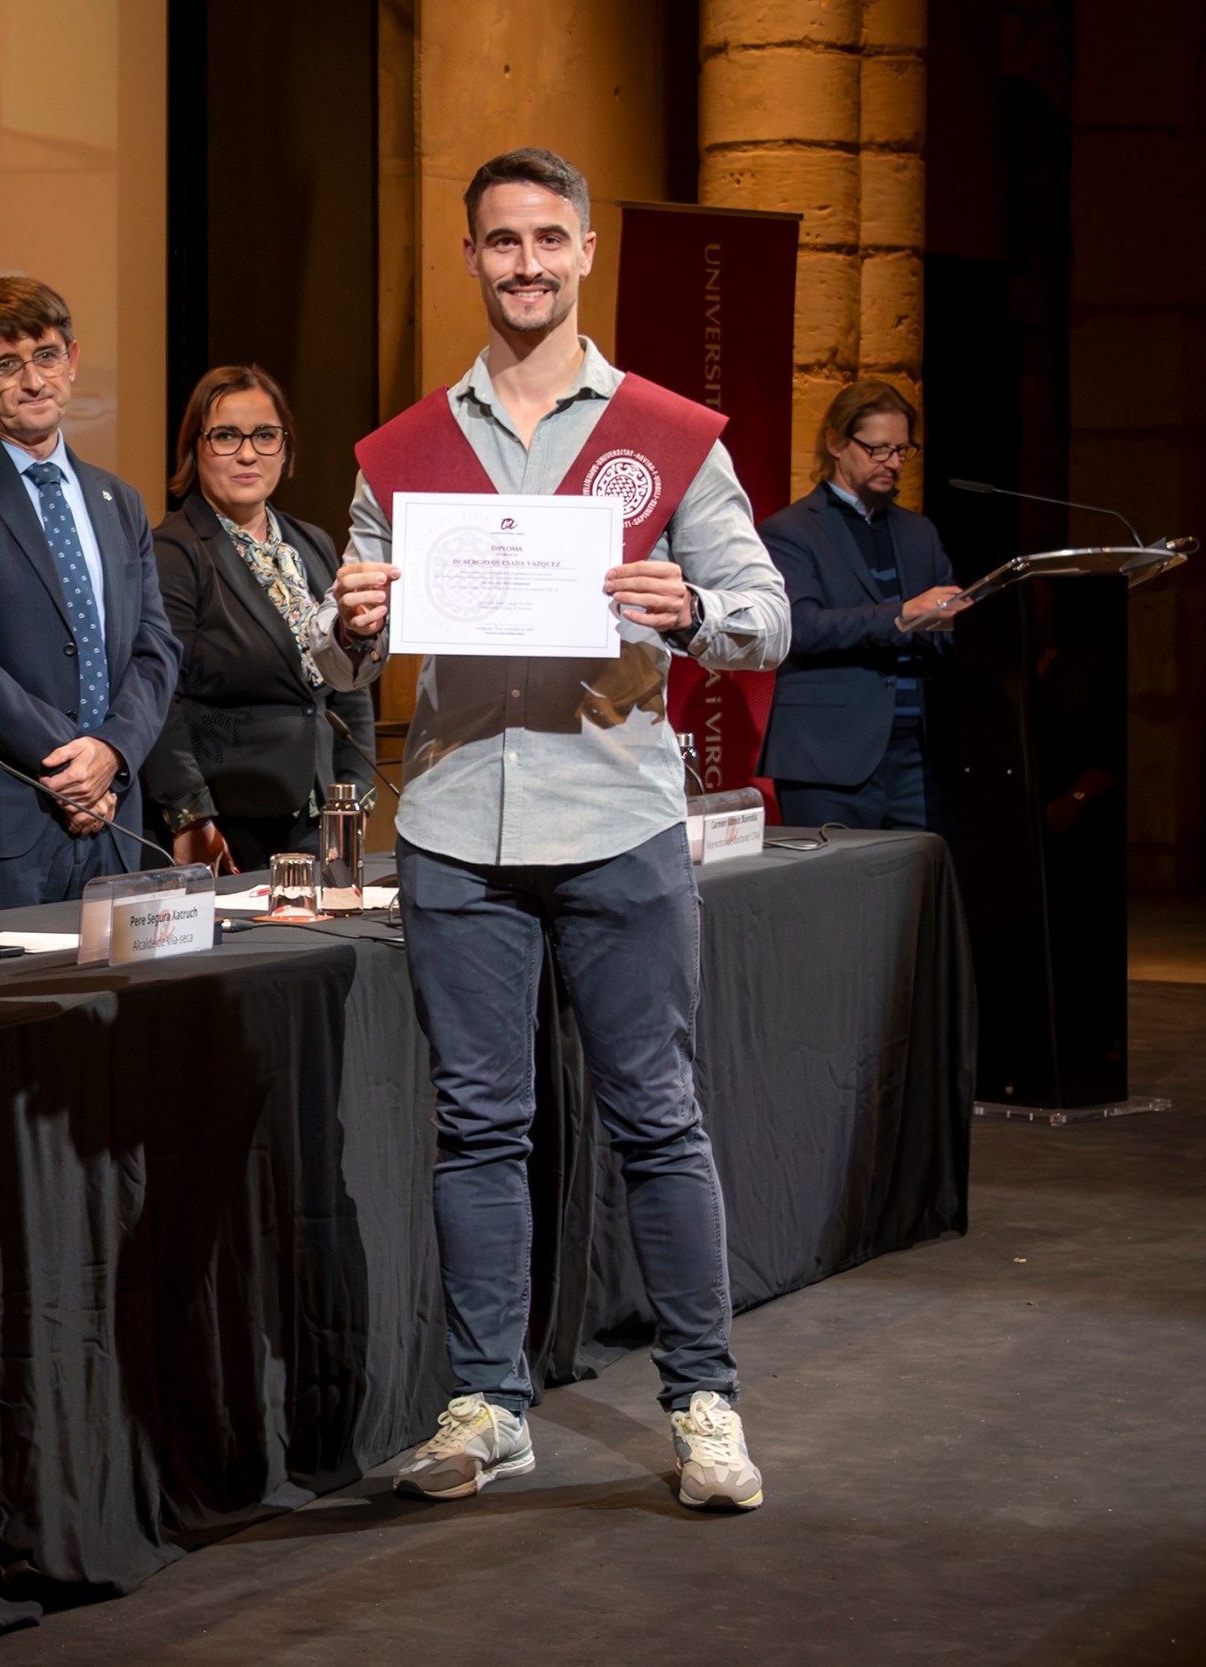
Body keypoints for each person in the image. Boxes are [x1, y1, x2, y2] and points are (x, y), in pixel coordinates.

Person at [323, 148, 790, 1511]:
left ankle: (704, 1402)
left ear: (585, 251)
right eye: (500, 241)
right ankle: (488, 1403)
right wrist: (350, 627)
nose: (524, 262)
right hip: (457, 823)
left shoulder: (667, 434)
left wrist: (692, 610)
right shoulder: (405, 451)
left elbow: (766, 613)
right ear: (470, 256)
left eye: (547, 238)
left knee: (658, 1116)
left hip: (615, 815)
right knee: (478, 1125)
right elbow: (347, 658)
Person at [0, 276, 179, 909]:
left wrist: (112, 752)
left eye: (45, 356)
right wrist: (74, 766)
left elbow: (155, 648)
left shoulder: (119, 499)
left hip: (118, 816)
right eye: (5, 366)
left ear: (71, 360)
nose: (33, 381)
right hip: (10, 822)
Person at [142, 363, 375, 872]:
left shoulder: (311, 541)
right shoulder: (172, 551)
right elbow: (159, 697)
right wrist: (190, 815)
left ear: (285, 448)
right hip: (226, 828)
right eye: (226, 436)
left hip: (322, 816)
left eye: (265, 436)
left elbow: (349, 677)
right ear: (195, 448)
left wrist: (355, 793)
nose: (248, 454)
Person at [756, 380, 964, 838]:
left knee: (920, 881)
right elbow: (800, 628)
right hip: (828, 756)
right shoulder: (789, 531)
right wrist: (901, 615)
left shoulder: (919, 532)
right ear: (835, 442)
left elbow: (946, 632)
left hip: (917, 755)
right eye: (878, 449)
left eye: (902, 450)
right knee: (836, 882)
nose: (894, 463)